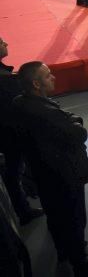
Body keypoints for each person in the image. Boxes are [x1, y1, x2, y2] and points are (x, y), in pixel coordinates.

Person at [11, 62, 88, 276]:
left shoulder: (20, 103)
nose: (54, 78)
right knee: (75, 219)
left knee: (56, 218)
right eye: (48, 76)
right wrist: (75, 122)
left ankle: (63, 252)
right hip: (64, 174)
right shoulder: (45, 112)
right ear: (36, 84)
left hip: (43, 173)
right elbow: (78, 134)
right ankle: (82, 265)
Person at [0, 37, 44, 226]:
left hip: (8, 133)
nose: (6, 44)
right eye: (1, 42)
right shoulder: (6, 81)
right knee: (14, 170)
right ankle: (23, 209)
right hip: (11, 135)